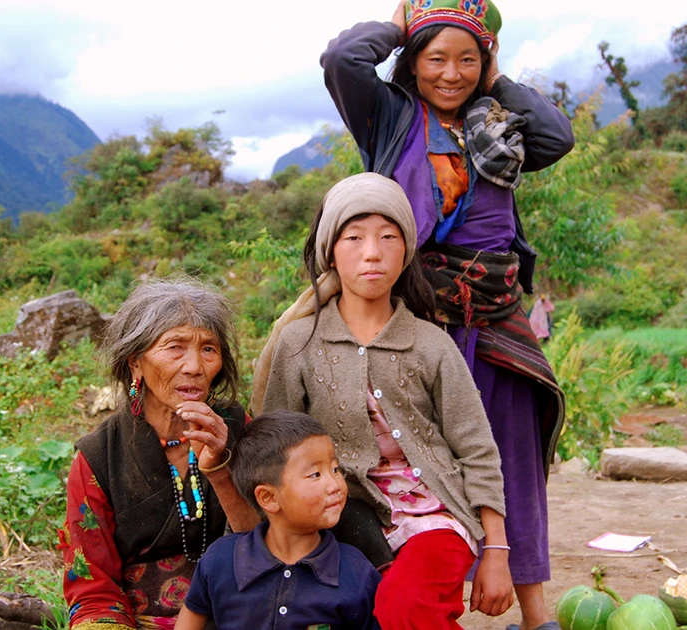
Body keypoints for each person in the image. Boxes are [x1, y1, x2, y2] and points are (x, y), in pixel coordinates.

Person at [319, 2, 574, 628]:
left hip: (492, 317)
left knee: (510, 454)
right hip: (416, 315)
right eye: (437, 58)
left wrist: (494, 81)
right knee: (420, 457)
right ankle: (425, 596)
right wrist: (406, 24)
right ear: (413, 59)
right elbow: (340, 59)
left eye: (468, 59)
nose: (451, 73)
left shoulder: (499, 123)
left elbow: (558, 137)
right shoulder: (389, 116)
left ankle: (535, 612)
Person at [253, 173, 513, 629]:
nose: (372, 252)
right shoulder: (299, 343)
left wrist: (496, 551)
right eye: (354, 238)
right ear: (331, 250)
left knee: (402, 609)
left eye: (388, 237)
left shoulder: (431, 345)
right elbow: (274, 448)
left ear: (406, 251)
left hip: (435, 519)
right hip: (340, 518)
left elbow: (476, 450)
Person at [60, 278, 261, 630]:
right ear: (135, 362)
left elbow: (270, 542)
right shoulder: (99, 457)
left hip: (242, 610)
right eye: (175, 347)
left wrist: (220, 471)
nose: (195, 367)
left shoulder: (239, 429)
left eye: (209, 349)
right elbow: (93, 587)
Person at [174, 410, 381, 630]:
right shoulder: (221, 561)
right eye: (315, 475)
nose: (335, 485)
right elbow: (190, 620)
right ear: (269, 498)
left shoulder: (355, 573)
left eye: (335, 469)